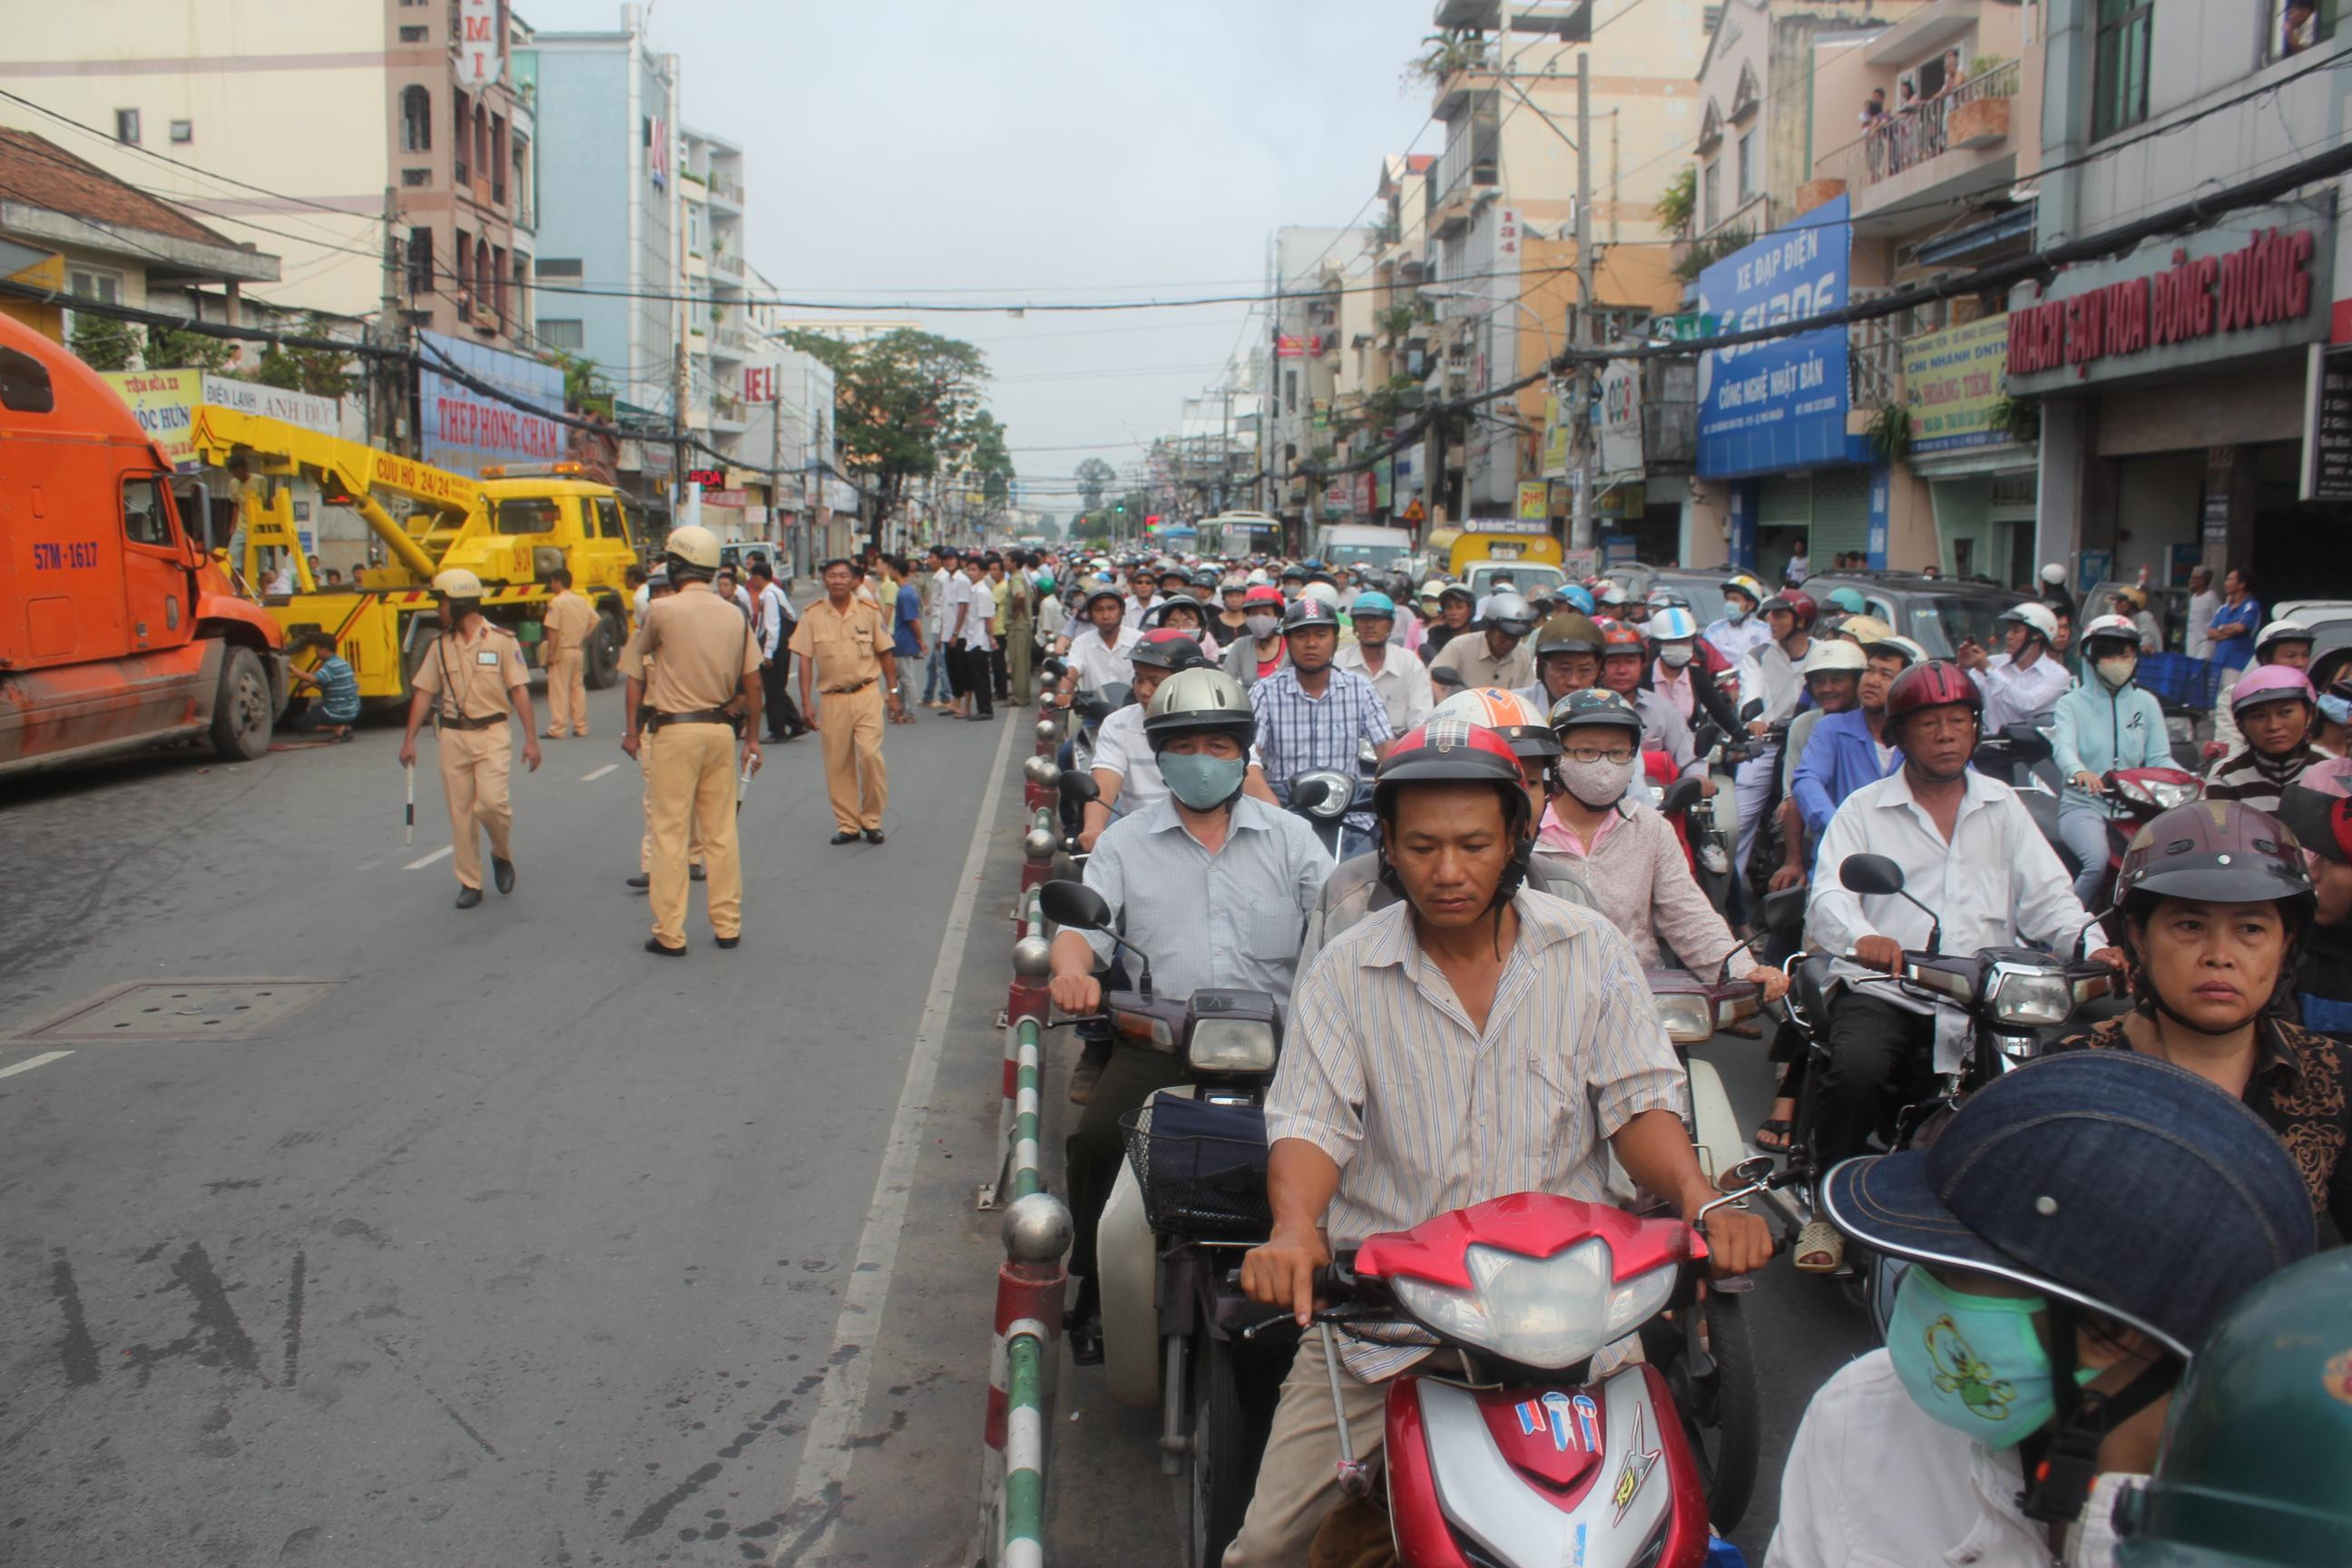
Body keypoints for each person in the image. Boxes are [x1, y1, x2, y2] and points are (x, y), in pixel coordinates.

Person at [1229, 718, 1774, 1566]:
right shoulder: (1345, 970)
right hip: (1389, 1327)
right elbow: (1310, 1124)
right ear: (1389, 849)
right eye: (1422, 847)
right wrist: (1296, 1229)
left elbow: (1638, 1105)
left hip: (1575, 1328)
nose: (1448, 871)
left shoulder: (1590, 949)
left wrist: (1702, 1201)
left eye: (1474, 845)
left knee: (1662, 1541)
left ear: (1518, 837)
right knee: (1270, 1550)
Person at [1766, 1050, 2317, 1568]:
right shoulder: (1862, 1416)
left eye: (1953, 1271)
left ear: (2105, 1330)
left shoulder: (2287, 1538)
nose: (1914, 1288)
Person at [1800, 659, 2122, 1271]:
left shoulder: (2004, 806)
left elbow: (2051, 898)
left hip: (1986, 997)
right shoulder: (1864, 809)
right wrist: (1865, 937)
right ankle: (1827, 1208)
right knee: (1858, 1069)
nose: (1946, 735)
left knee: (2043, 1090)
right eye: (1929, 723)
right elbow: (1829, 897)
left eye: (1958, 720)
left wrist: (2092, 945)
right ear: (1899, 735)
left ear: (1976, 728)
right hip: (1891, 988)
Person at [1049, 667, 1331, 1365]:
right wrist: (1071, 971)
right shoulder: (1126, 842)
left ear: (1242, 753)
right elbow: (1083, 929)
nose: (1201, 760)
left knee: (1351, 1148)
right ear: (1161, 755)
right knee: (1095, 1141)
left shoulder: (1294, 840)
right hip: (1162, 1044)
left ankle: (1337, 1284)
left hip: (1285, 1051)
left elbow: (1341, 928)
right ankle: (1095, 1284)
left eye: (1218, 745)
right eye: (1184, 746)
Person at [2044, 799, 2348, 1240]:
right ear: (2138, 936)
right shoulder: (2068, 1074)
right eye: (2190, 925)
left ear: (2286, 943)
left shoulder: (2335, 1078)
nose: (2219, 956)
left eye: (2250, 929)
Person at [1539, 689, 1790, 997]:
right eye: (1587, 752)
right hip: (1547, 996)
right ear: (1557, 756)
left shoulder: (1651, 828)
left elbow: (1686, 913)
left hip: (1637, 993)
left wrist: (1741, 969)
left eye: (1617, 753)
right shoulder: (1526, 830)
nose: (1604, 766)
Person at [619, 524, 762, 956]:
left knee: (669, 833)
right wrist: (753, 739)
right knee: (721, 832)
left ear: (677, 566)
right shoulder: (734, 614)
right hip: (720, 732)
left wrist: (631, 731)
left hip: (675, 731)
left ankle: (670, 933)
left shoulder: (661, 611)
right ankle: (727, 926)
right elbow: (753, 684)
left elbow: (636, 672)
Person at [397, 568, 544, 909]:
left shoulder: (502, 641)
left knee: (491, 804)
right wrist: (409, 740)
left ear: (459, 603)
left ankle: (501, 853)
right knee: (460, 813)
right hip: (453, 735)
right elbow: (424, 692)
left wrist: (531, 740)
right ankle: (470, 881)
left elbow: (519, 691)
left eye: (442, 602)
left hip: (492, 733)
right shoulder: (439, 645)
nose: (439, 609)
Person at [1250, 597, 1396, 858]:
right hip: (1285, 812)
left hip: (1351, 817)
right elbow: (1248, 761)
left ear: (1335, 640)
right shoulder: (1265, 691)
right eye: (1301, 635)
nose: (1311, 644)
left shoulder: (1359, 688)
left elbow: (1388, 751)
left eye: (1321, 635)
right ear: (1288, 641)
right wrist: (1277, 818)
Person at [2052, 614, 2172, 906]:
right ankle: (2067, 923)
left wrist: (2191, 781)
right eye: (2109, 655)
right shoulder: (2071, 703)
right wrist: (2078, 771)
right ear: (2090, 658)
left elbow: (2160, 758)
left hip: (2136, 807)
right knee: (2097, 861)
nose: (2118, 662)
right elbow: (2063, 748)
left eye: (2126, 655)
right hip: (2084, 806)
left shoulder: (2146, 703)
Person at [790, 558, 902, 847]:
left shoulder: (868, 611)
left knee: (870, 755)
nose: (837, 581)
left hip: (867, 694)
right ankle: (848, 824)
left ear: (854, 580)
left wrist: (893, 693)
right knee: (838, 764)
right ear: (824, 580)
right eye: (831, 576)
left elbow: (885, 653)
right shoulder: (812, 615)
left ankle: (872, 820)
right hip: (833, 699)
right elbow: (804, 661)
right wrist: (806, 703)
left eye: (843, 576)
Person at [624, 568, 705, 893]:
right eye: (655, 595)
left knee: (693, 792)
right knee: (654, 798)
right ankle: (651, 865)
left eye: (666, 593)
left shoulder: (695, 633)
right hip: (655, 725)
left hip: (692, 722)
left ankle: (694, 857)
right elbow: (633, 684)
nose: (660, 599)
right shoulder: (640, 638)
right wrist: (631, 732)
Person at [1731, 590, 1817, 877]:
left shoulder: (1822, 654)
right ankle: (1729, 890)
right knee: (1738, 821)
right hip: (1768, 743)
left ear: (1801, 620)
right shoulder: (1758, 655)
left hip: (1811, 743)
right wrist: (1755, 720)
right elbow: (1750, 692)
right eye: (1770, 614)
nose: (1771, 620)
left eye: (1780, 615)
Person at [2204, 665, 2319, 817]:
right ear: (2240, 725)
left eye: (2285, 712)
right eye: (2258, 716)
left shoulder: (2330, 770)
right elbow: (2222, 829)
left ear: (2309, 714)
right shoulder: (2225, 777)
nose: (2273, 726)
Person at [1597, 616, 1701, 781]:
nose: (1622, 670)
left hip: (1654, 794)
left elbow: (1690, 758)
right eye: (1612, 662)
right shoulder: (1583, 707)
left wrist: (1698, 778)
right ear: (1598, 665)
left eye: (1630, 662)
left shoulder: (1662, 709)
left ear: (1643, 664)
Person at [2207, 618, 2313, 762]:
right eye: (2290, 656)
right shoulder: (2235, 695)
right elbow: (2231, 747)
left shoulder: (2312, 693)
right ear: (2265, 660)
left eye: (2305, 655)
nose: (2300, 663)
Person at [1955, 600, 2070, 732]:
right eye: (2009, 630)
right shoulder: (1992, 663)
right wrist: (1963, 668)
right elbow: (1961, 695)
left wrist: (1989, 670)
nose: (2008, 636)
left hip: (2031, 745)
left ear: (2037, 635)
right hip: (1990, 743)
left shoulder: (2058, 675)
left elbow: (2027, 704)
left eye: (2016, 630)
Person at [1329, 590, 1431, 733]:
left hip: (1399, 742)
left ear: (1391, 624)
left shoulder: (1409, 663)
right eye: (1363, 619)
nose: (1370, 625)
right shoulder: (1338, 663)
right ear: (1354, 624)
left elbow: (1421, 716)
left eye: (1377, 619)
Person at [1426, 590, 1536, 691]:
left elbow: (1529, 693)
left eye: (1516, 637)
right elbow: (1431, 681)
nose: (1509, 642)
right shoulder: (1459, 647)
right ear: (1489, 627)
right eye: (1504, 635)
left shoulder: (1522, 654)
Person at [746, 560, 806, 743]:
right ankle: (796, 723)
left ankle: (777, 730)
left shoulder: (770, 595)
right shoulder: (774, 592)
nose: (751, 582)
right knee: (776, 688)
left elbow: (772, 627)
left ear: (758, 577)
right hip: (780, 646)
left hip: (775, 648)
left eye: (752, 577)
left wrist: (767, 653)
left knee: (773, 690)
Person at [284, 632, 360, 741]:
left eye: (317, 648)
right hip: (352, 709)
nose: (315, 651)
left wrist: (292, 668)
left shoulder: (330, 666)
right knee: (312, 710)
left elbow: (313, 679)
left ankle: (337, 728)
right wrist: (308, 685)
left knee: (300, 723)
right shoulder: (342, 663)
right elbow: (330, 684)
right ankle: (344, 725)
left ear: (325, 649)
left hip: (338, 711)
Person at [1065, 585, 1140, 696]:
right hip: (1093, 706)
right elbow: (1073, 670)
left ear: (1122, 610)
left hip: (1133, 705)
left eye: (1111, 609)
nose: (1105, 616)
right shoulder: (1081, 642)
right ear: (1090, 614)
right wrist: (1064, 692)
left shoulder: (1139, 640)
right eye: (1099, 610)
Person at [949, 554, 995, 721]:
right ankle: (981, 708)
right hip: (971, 639)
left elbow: (988, 618)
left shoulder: (982, 592)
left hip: (979, 640)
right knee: (975, 676)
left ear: (983, 572)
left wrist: (991, 638)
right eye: (969, 569)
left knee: (981, 677)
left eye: (974, 570)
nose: (970, 573)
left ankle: (986, 710)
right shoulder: (973, 590)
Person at [882, 554, 925, 726]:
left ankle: (910, 711)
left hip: (904, 640)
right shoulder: (907, 591)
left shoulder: (904, 594)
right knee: (901, 675)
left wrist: (920, 639)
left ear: (896, 571)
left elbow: (913, 620)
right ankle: (901, 708)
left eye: (890, 569)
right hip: (902, 639)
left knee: (907, 677)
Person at [1220, 583, 1289, 687]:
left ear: (1277, 616)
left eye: (1266, 614)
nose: (1259, 619)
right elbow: (1226, 680)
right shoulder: (1241, 645)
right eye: (1254, 614)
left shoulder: (1290, 646)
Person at [1705, 572, 1772, 666]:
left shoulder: (1764, 630)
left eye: (1735, 600)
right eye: (1728, 599)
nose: (1729, 603)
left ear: (1750, 605)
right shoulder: (1714, 630)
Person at [2206, 567, 2261, 673]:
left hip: (2237, 664)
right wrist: (2230, 631)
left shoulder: (2251, 606)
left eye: (2230, 579)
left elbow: (2240, 628)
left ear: (2241, 584)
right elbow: (2210, 634)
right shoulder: (2223, 609)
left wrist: (2220, 628)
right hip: (2218, 662)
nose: (2225, 583)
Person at [921, 546, 956, 709]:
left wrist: (942, 630)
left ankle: (946, 696)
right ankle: (928, 695)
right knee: (932, 664)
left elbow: (945, 606)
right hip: (936, 622)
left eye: (932, 557)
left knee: (941, 664)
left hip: (940, 625)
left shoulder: (943, 578)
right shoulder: (938, 577)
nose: (929, 560)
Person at [1003, 555, 1035, 706]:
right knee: (1023, 663)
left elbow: (1020, 595)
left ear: (1015, 563)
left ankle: (1019, 697)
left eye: (1007, 561)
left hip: (1018, 626)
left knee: (1018, 664)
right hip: (1024, 625)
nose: (1004, 563)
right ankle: (1024, 695)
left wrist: (1014, 608)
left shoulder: (1016, 578)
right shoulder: (1022, 576)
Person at [1421, 583, 1475, 658]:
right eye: (1449, 607)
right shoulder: (1437, 635)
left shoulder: (1481, 635)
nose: (1453, 612)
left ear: (1470, 610)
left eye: (1459, 607)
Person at [2181, 564, 2219, 662]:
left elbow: (2218, 619)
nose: (2190, 580)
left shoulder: (2211, 597)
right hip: (2192, 643)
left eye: (2193, 578)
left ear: (2202, 580)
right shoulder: (2193, 598)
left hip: (2206, 644)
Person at [2112, 586, 2163, 653]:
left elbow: (2146, 634)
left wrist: (2145, 645)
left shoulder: (2144, 616)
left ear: (2132, 604)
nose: (2116, 604)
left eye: (2120, 601)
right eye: (2116, 601)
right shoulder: (2122, 620)